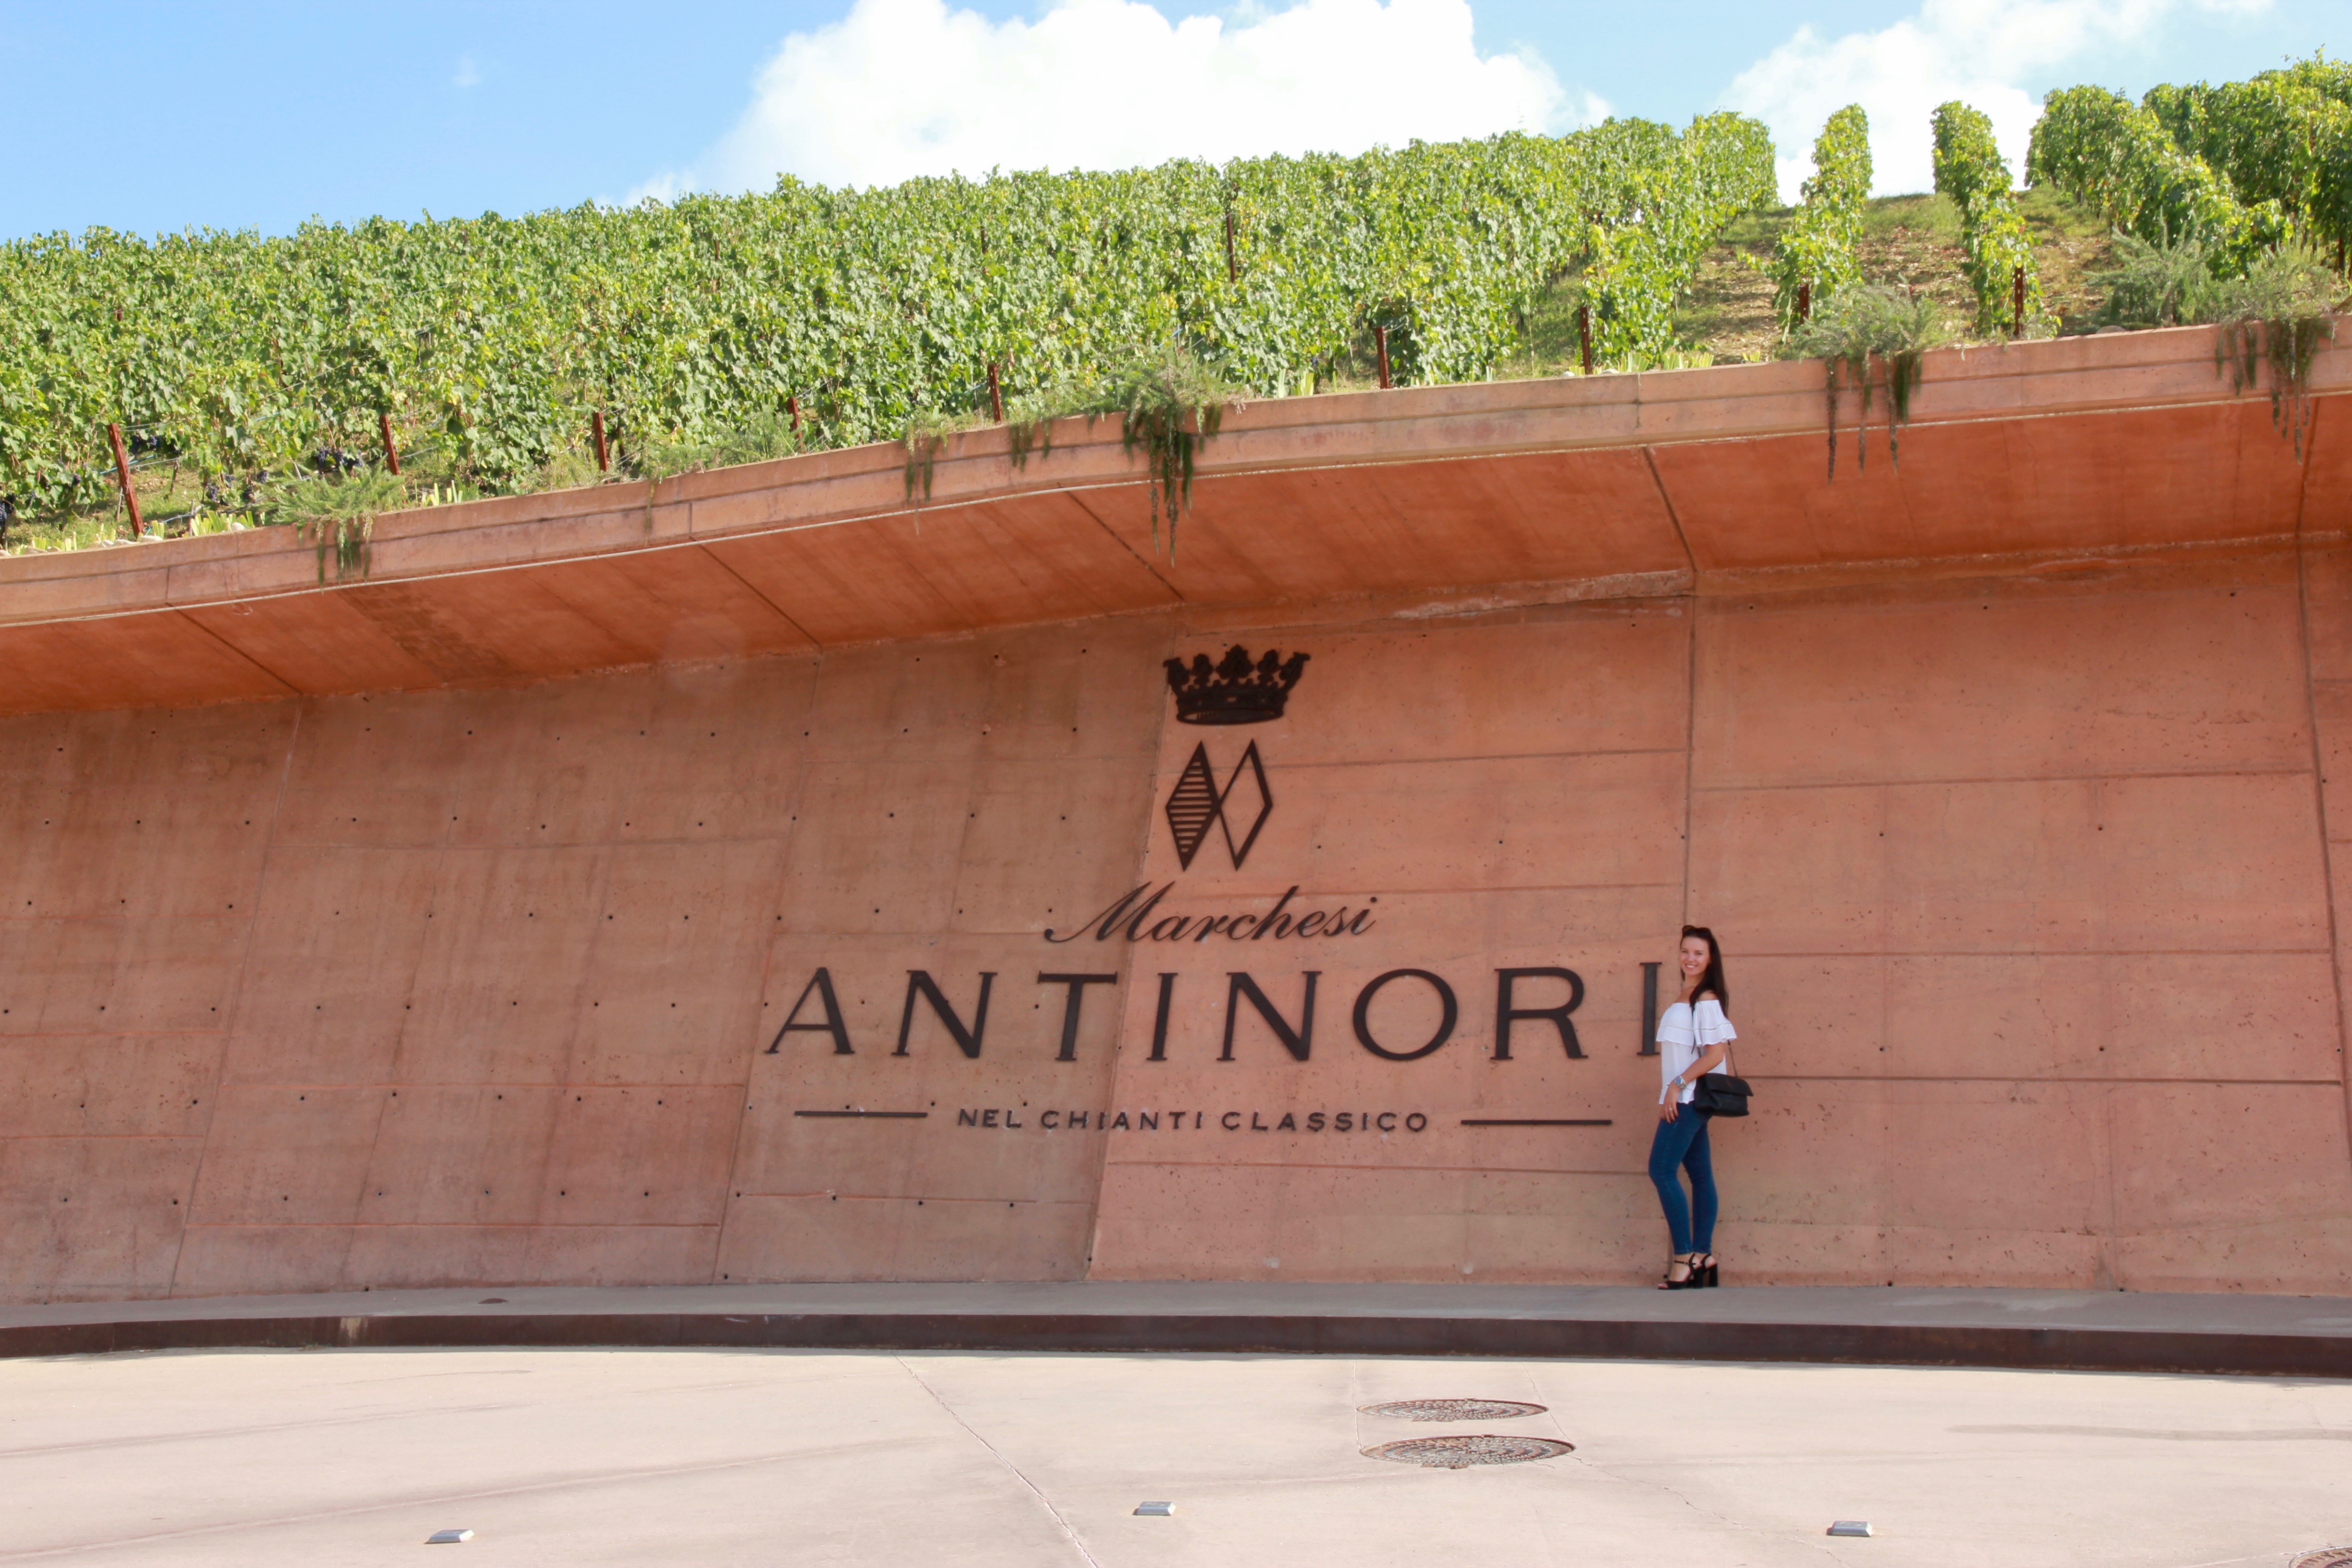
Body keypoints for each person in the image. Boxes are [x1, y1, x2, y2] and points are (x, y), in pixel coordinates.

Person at [1650, 925, 1735, 1289]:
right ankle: (1704, 1256)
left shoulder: (1707, 999)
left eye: (1698, 953)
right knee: (1700, 1176)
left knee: (1661, 1171)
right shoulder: (1686, 994)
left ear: (1710, 959)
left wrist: (1677, 1086)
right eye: (1686, 951)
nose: (1690, 958)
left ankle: (1684, 1257)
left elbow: (1716, 1053)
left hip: (1688, 1099)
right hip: (1682, 1099)